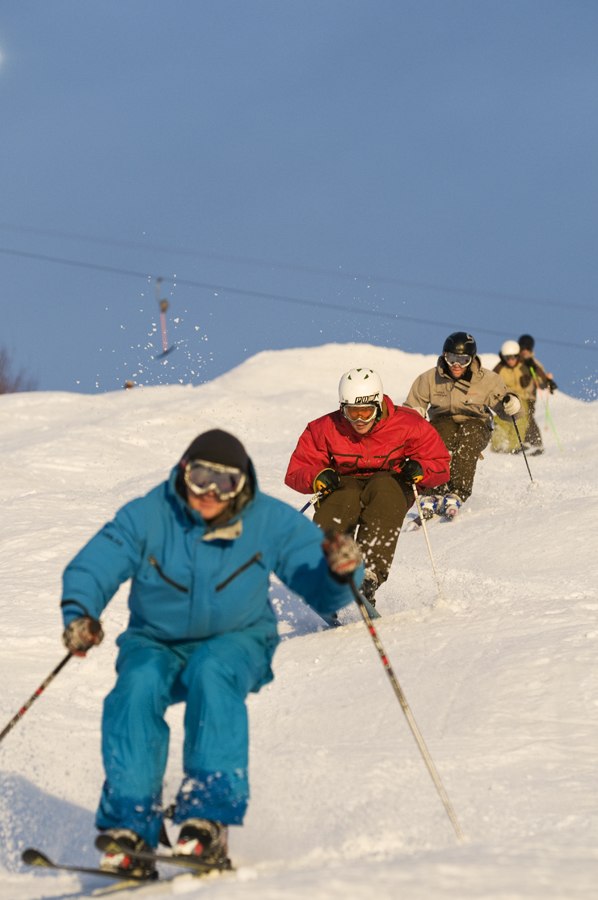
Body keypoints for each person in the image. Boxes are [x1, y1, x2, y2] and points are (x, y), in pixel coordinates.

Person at [60, 429, 363, 879]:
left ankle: (208, 816)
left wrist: (340, 574)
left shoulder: (268, 520)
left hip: (236, 638)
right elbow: (97, 561)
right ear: (184, 472)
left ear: (242, 485)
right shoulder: (150, 514)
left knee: (212, 672)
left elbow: (315, 582)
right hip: (155, 641)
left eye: (225, 483)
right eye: (201, 478)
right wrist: (80, 613)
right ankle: (130, 822)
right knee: (135, 689)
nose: (209, 493)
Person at [284, 367, 451, 605]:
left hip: (391, 482)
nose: (359, 420)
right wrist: (317, 476)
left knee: (384, 492)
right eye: (352, 413)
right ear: (342, 408)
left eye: (365, 412)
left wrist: (421, 469)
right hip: (346, 483)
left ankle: (368, 575)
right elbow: (297, 470)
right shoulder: (323, 428)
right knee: (342, 500)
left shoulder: (408, 424)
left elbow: (440, 463)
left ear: (379, 405)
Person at [403, 332, 522, 518]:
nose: (456, 365)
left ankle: (458, 491)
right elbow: (412, 405)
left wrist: (512, 405)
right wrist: (415, 414)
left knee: (468, 437)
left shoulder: (487, 380)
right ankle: (434, 491)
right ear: (444, 356)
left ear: (471, 360)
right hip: (442, 421)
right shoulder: (429, 379)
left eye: (463, 360)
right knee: (437, 439)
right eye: (451, 359)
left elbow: (508, 410)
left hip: (477, 423)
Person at [517, 334, 558, 455]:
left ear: (531, 349)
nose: (524, 351)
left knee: (527, 416)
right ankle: (518, 442)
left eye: (527, 349)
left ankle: (535, 443)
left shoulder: (534, 364)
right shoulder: (514, 361)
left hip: (528, 397)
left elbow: (542, 382)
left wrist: (546, 380)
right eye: (522, 348)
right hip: (515, 395)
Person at [490, 340, 531, 453]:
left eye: (513, 357)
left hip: (521, 398)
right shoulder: (500, 368)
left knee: (520, 419)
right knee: (502, 420)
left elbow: (536, 376)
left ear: (518, 356)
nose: (511, 361)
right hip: (505, 398)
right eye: (508, 358)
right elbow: (490, 382)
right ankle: (497, 445)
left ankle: (515, 446)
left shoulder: (524, 367)